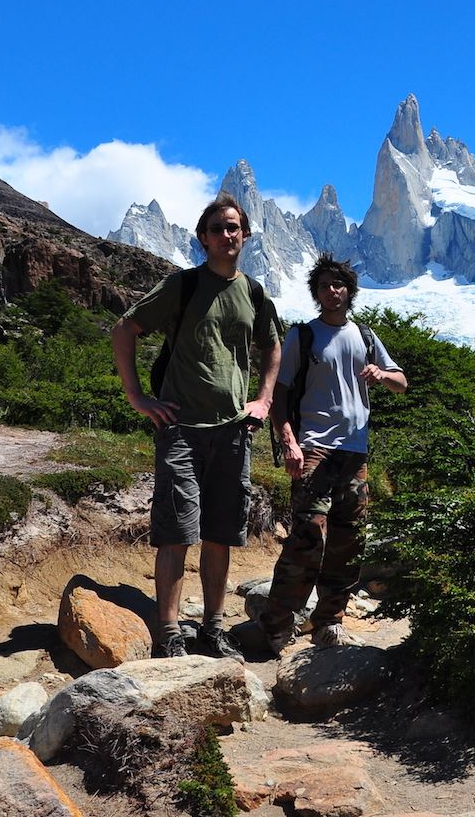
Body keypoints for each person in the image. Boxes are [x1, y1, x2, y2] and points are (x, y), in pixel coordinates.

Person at [112, 193, 281, 660]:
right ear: (203, 239)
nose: (227, 235)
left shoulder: (253, 292)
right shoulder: (182, 286)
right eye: (218, 229)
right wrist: (138, 398)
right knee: (176, 529)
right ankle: (168, 631)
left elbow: (273, 346)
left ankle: (211, 627)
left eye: (234, 227)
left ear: (245, 234)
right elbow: (124, 330)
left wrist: (264, 399)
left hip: (234, 431)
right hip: (181, 427)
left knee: (221, 532)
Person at [258, 253, 407, 653]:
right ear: (316, 292)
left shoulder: (366, 337)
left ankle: (330, 619)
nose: (332, 291)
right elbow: (280, 393)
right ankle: (277, 622)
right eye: (324, 285)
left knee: (349, 538)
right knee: (308, 537)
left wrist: (382, 374)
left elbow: (401, 382)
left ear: (350, 291)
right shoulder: (302, 336)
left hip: (355, 453)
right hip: (314, 449)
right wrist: (288, 439)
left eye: (338, 285)